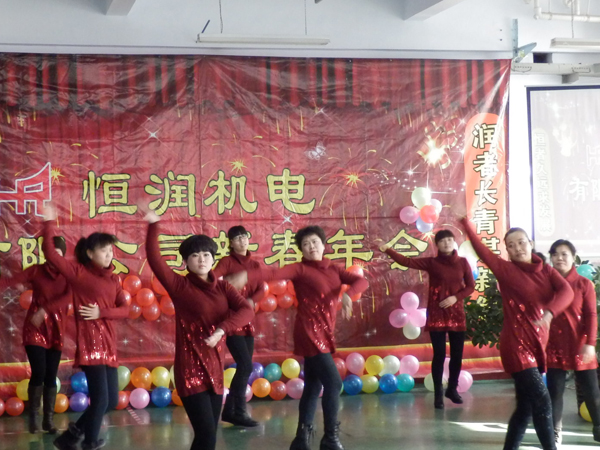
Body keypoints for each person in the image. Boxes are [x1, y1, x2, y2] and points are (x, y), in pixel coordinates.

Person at [227, 225, 368, 450]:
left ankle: (301, 439)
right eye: (305, 244)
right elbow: (272, 274)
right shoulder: (300, 269)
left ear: (323, 244)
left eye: (314, 242)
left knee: (312, 386)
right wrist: (246, 275)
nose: (311, 247)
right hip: (309, 332)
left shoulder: (334, 269)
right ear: (301, 249)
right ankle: (330, 438)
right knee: (333, 383)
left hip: (325, 332)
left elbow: (362, 282)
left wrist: (349, 295)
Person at [143, 210, 254, 450]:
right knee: (206, 434)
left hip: (215, 371)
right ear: (185, 261)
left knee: (207, 437)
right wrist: (154, 224)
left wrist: (223, 329)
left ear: (213, 259)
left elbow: (247, 311)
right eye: (194, 255)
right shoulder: (179, 286)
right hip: (190, 371)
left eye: (206, 254)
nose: (201, 259)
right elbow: (154, 258)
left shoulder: (224, 288)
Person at [461, 218, 573, 450]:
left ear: (530, 243)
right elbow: (482, 250)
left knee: (525, 408)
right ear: (507, 251)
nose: (517, 248)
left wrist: (550, 312)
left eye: (521, 242)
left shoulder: (547, 270)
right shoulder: (505, 270)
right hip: (516, 347)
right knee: (542, 400)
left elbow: (567, 291)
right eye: (511, 246)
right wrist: (465, 222)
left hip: (537, 345)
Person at [42, 205, 129, 450]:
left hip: (109, 345)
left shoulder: (114, 279)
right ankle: (89, 442)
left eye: (111, 250)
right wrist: (48, 222)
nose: (109, 254)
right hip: (91, 345)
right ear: (90, 253)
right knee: (100, 399)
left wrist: (103, 313)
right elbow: (50, 253)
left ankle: (70, 437)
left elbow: (126, 309)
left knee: (110, 400)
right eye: (104, 250)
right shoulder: (78, 273)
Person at [379, 229, 475, 409]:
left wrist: (456, 298)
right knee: (439, 355)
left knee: (457, 355)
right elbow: (407, 261)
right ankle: (438, 394)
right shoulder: (432, 263)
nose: (447, 243)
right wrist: (387, 249)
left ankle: (452, 389)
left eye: (449, 240)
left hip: (456, 314)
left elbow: (471, 286)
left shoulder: (462, 262)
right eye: (442, 241)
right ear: (437, 244)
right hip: (437, 314)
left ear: (454, 242)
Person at [0, 236, 70, 434]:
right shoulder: (36, 270)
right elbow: (10, 280)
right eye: (50, 253)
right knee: (39, 371)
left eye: (58, 254)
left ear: (63, 255)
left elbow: (68, 297)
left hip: (56, 329)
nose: (53, 257)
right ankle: (33, 418)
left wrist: (45, 309)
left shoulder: (69, 275)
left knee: (51, 375)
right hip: (35, 327)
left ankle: (48, 421)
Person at [547, 239, 600, 445]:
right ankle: (555, 432)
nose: (559, 258)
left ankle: (598, 428)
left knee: (592, 392)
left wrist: (590, 343)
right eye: (555, 254)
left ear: (573, 258)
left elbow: (591, 315)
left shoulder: (584, 284)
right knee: (555, 392)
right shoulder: (547, 283)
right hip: (554, 345)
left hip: (581, 345)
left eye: (564, 254)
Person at [213, 225, 265, 427]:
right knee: (245, 365)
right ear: (231, 243)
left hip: (247, 319)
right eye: (237, 238)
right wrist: (230, 286)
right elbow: (213, 279)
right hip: (232, 319)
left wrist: (252, 301)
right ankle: (239, 411)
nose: (242, 241)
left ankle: (230, 412)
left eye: (244, 236)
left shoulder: (255, 265)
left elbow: (261, 289)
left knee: (245, 365)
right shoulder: (226, 262)